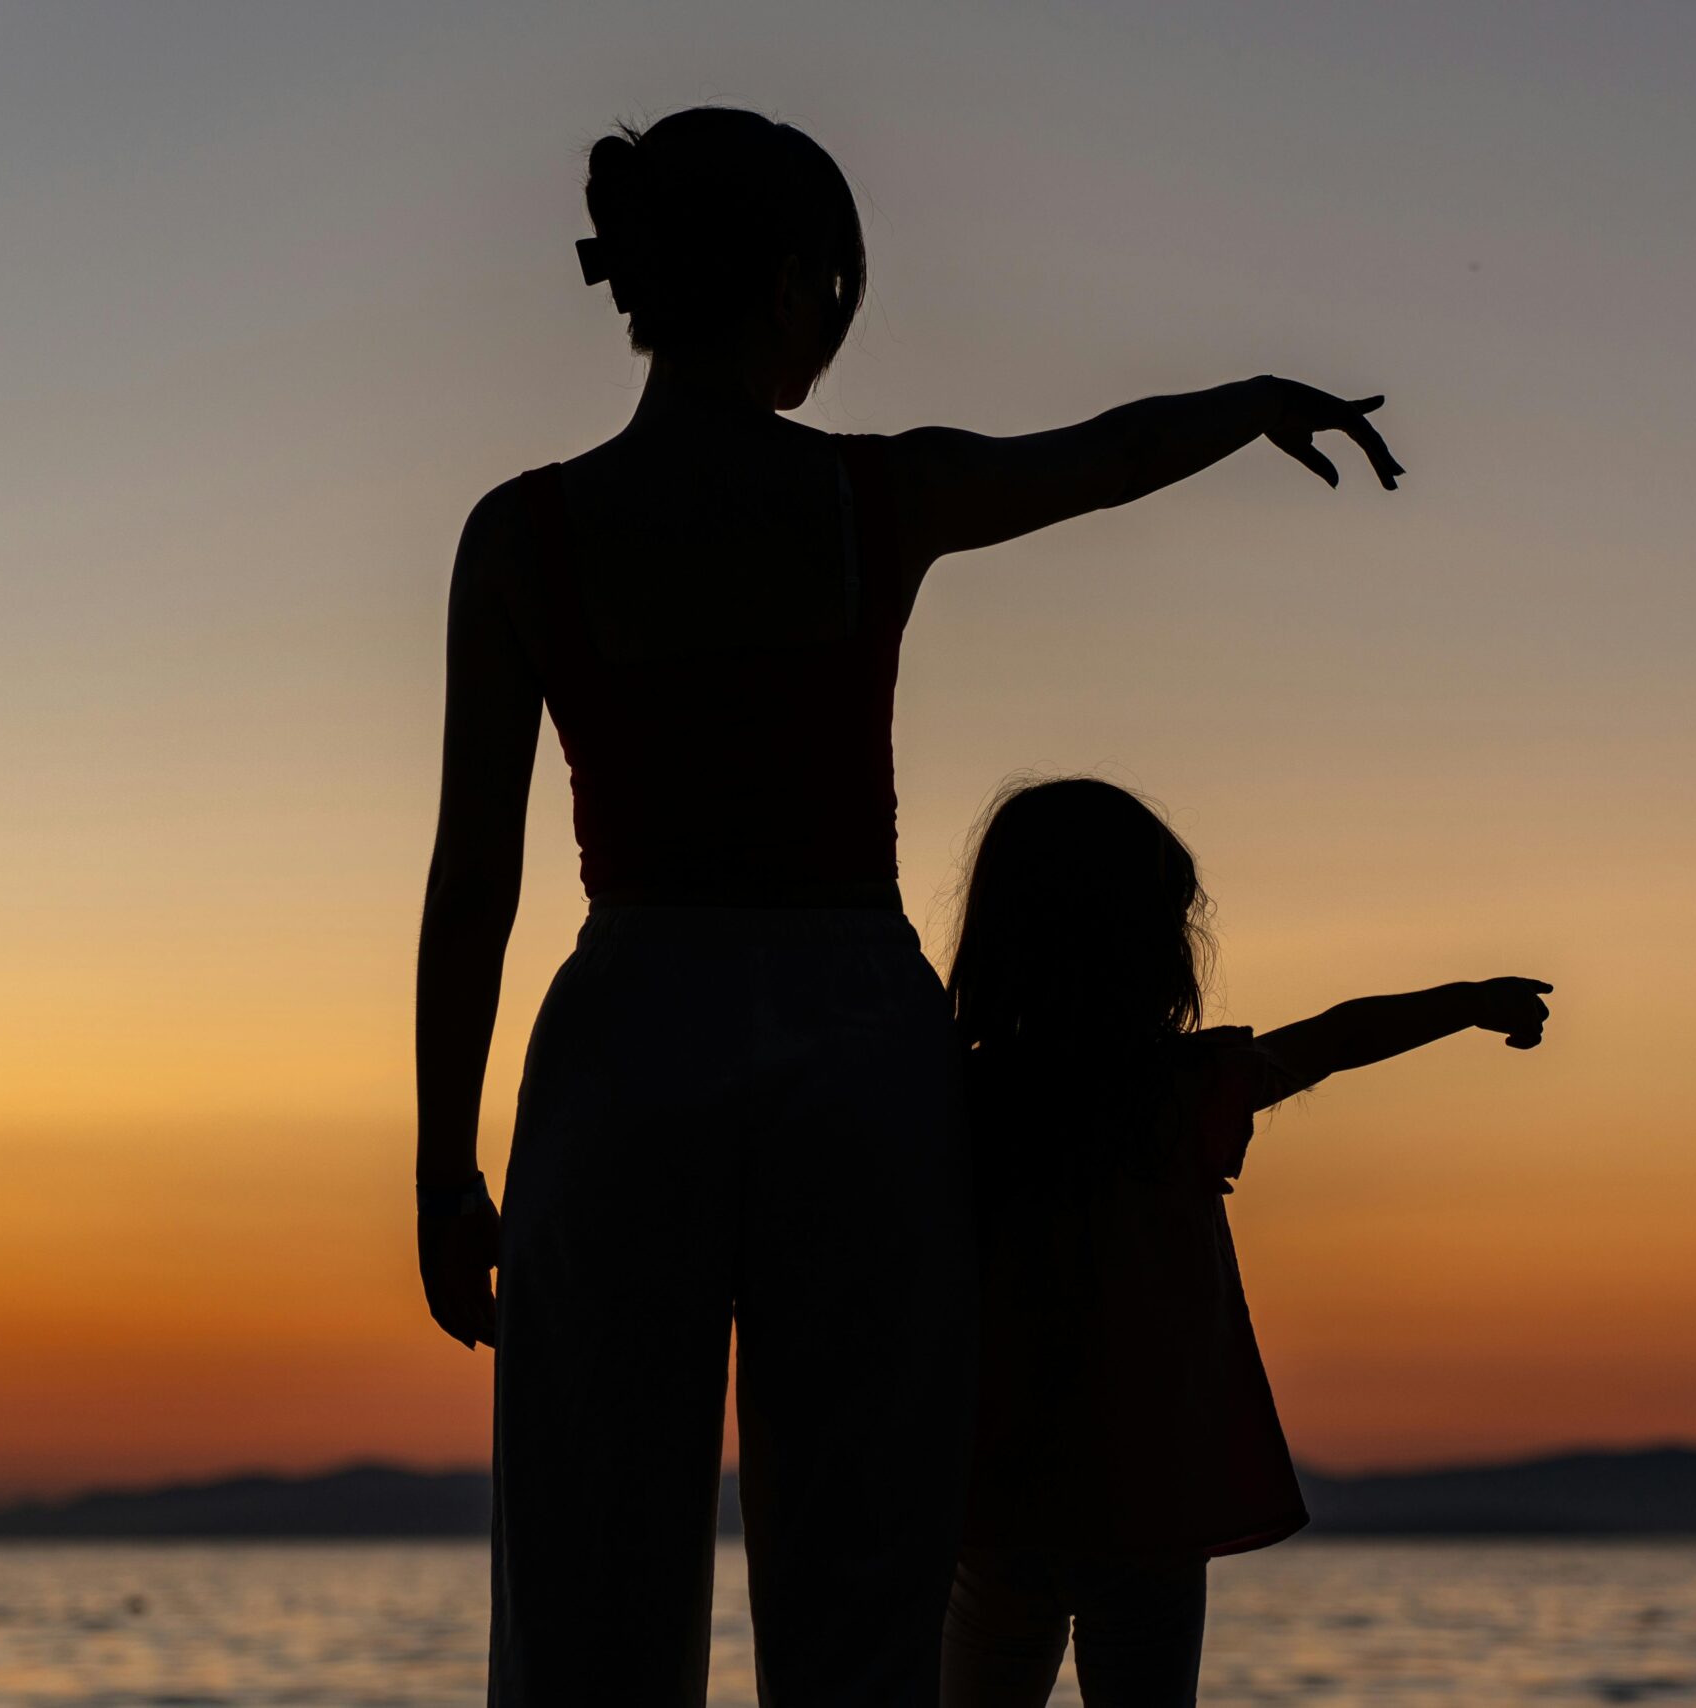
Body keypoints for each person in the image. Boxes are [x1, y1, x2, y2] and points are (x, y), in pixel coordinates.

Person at [411, 107, 1406, 1707]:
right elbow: (1089, 462)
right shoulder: (874, 499)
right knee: (863, 1584)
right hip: (855, 1056)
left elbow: (475, 885)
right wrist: (1249, 403)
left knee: (592, 1585)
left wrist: (443, 1171)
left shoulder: (522, 536)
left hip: (625, 1055)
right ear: (799, 283)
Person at [937, 776, 1553, 1708]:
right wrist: (1464, 999)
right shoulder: (1173, 1097)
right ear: (1144, 946)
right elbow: (1333, 1040)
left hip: (992, 1492)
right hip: (1151, 1494)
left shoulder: (953, 1101)